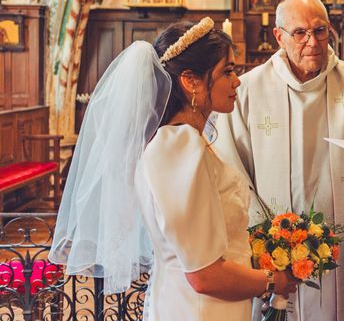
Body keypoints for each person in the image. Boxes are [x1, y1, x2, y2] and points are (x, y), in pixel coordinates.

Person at [50, 18, 297, 320]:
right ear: (191, 80)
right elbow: (205, 275)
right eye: (228, 71)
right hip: (199, 308)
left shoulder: (185, 140)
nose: (237, 81)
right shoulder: (178, 147)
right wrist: (274, 281)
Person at [215, 0, 344, 321]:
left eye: (319, 31)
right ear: (279, 36)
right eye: (300, 33)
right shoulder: (248, 90)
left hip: (342, 240)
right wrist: (264, 233)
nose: (312, 42)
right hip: (272, 241)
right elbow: (231, 170)